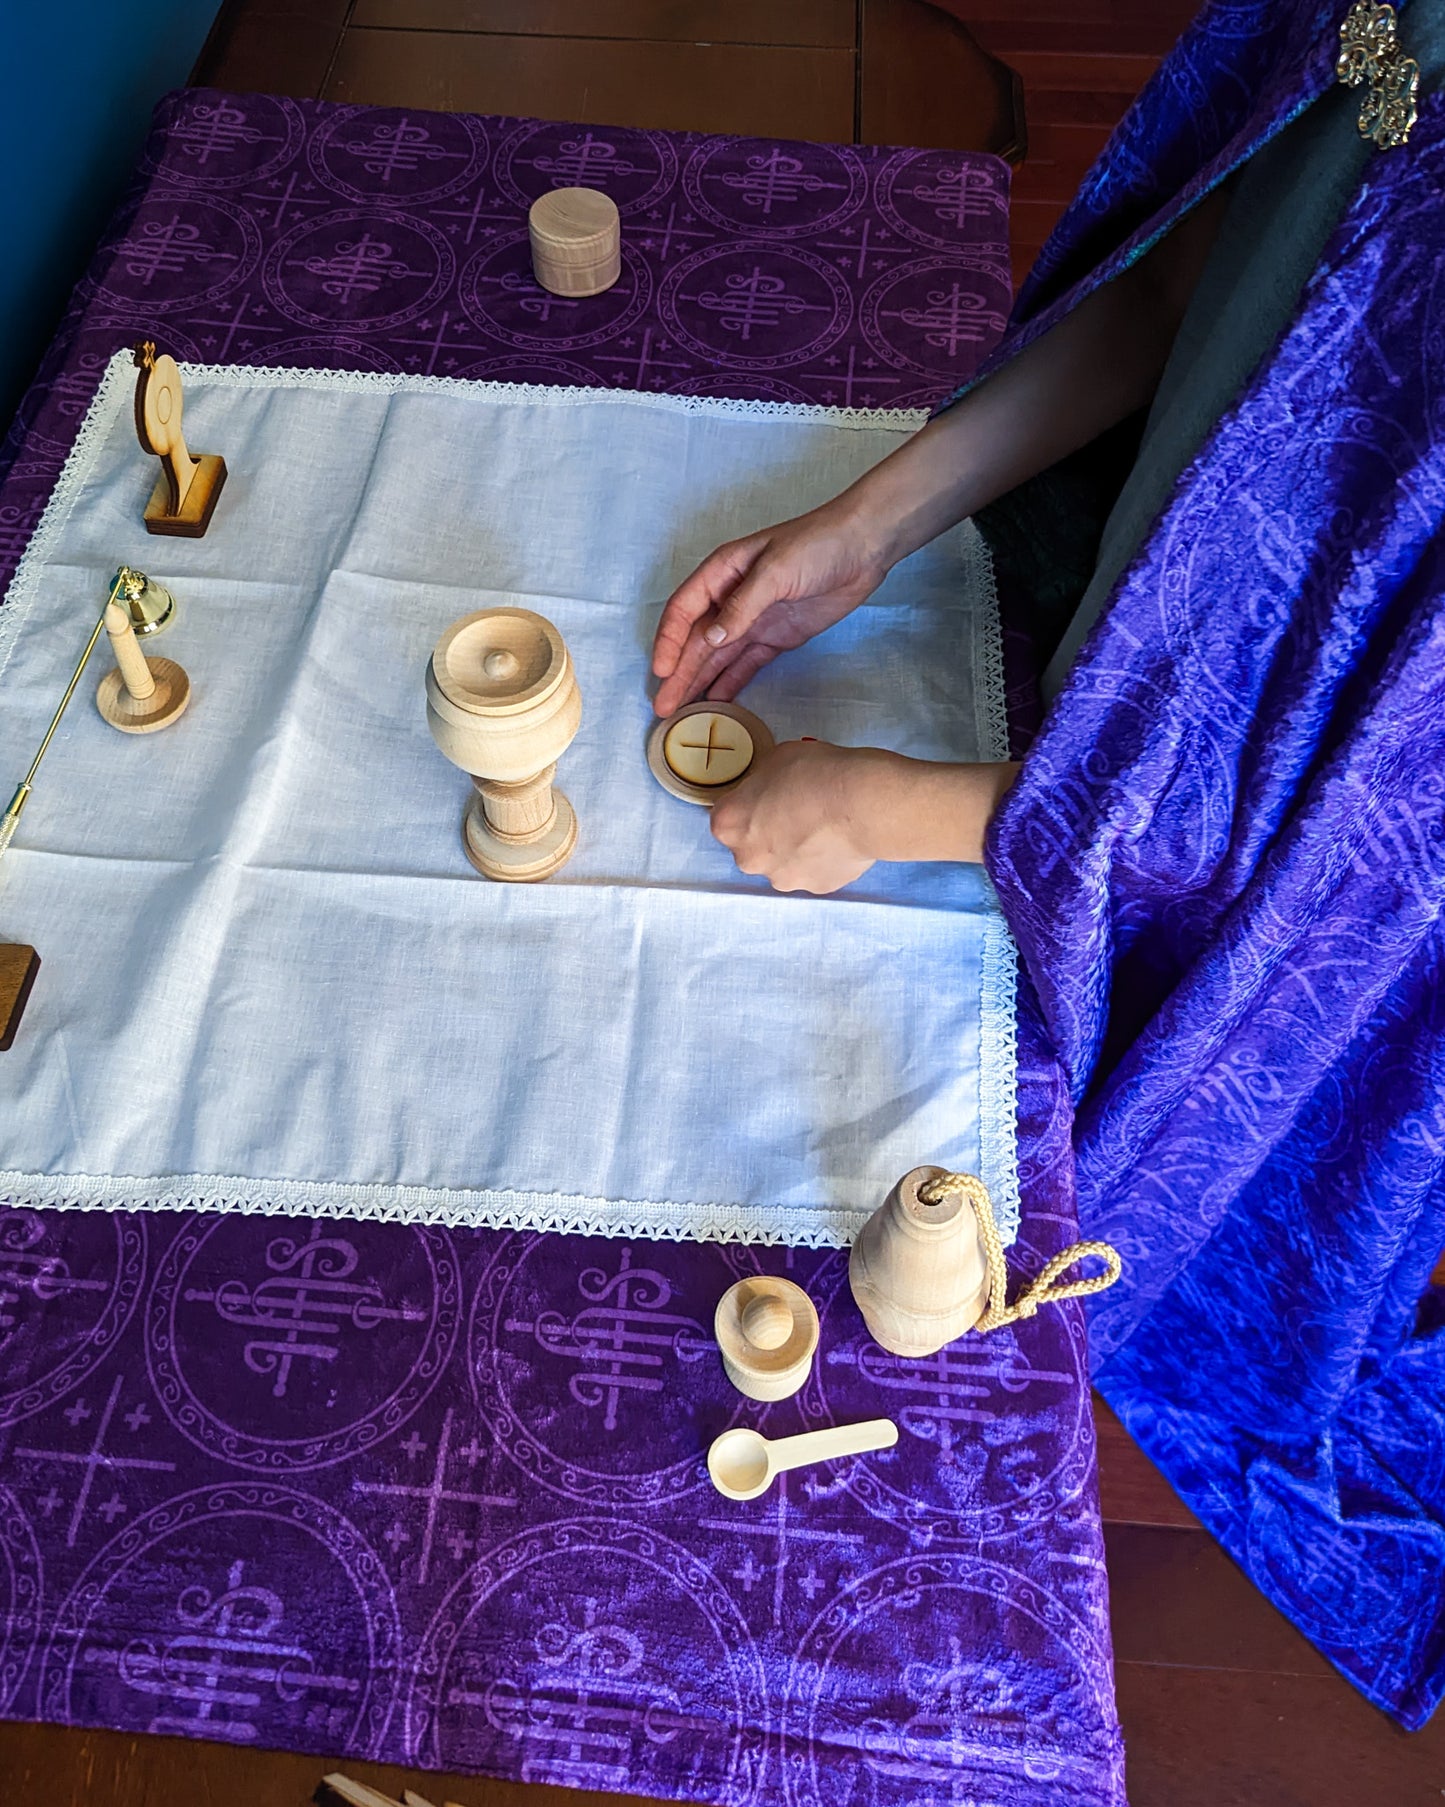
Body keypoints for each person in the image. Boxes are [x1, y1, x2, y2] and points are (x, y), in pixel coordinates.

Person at [649, 186, 1229, 895]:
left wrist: (881, 812)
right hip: (1102, 563)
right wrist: (866, 528)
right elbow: (1168, 297)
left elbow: (1352, 832)